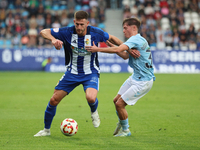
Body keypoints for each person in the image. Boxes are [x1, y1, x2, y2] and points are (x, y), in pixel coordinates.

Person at [34, 10, 130, 137]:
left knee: (90, 97)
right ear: (74, 22)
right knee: (53, 100)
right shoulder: (66, 32)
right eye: (77, 24)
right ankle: (46, 130)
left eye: (82, 24)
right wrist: (53, 39)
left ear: (87, 23)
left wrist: (127, 47)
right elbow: (43, 31)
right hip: (71, 73)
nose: (79, 27)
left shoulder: (96, 33)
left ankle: (94, 111)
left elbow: (111, 37)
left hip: (90, 72)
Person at [86, 17, 156, 137]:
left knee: (120, 104)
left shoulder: (135, 39)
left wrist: (97, 49)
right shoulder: (138, 40)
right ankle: (122, 121)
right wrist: (112, 46)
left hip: (143, 81)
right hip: (135, 77)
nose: (123, 31)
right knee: (115, 100)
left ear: (133, 28)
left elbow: (119, 48)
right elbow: (124, 55)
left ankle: (125, 130)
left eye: (125, 28)